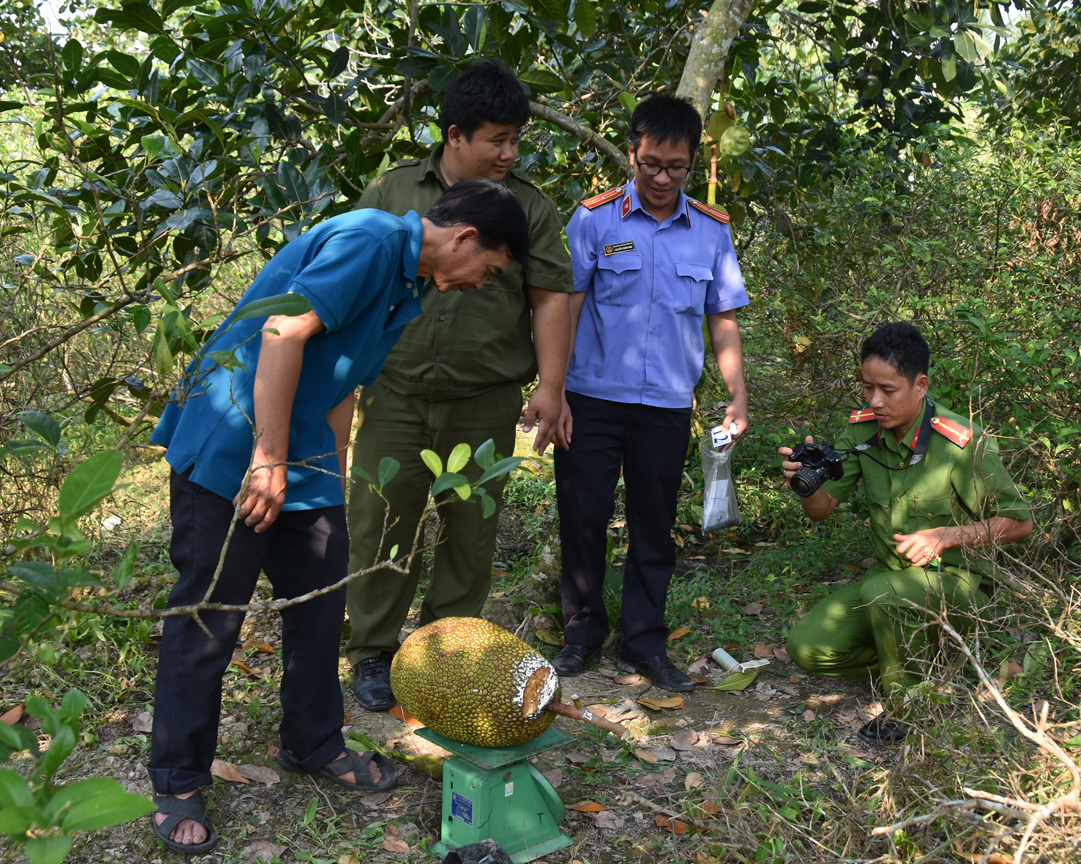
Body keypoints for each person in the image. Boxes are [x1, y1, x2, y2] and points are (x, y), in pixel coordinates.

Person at [146, 181, 530, 854]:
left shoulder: (410, 286)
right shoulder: (371, 241)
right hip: (236, 443)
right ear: (465, 238)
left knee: (322, 603)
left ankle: (313, 744)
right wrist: (267, 459)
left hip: (304, 455)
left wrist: (330, 471)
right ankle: (178, 777)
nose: (478, 284)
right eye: (488, 271)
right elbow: (282, 332)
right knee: (209, 618)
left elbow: (344, 381)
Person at [344, 62, 574, 712]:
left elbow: (551, 300)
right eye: (497, 139)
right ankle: (374, 652)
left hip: (485, 399)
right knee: (382, 519)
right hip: (395, 395)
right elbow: (355, 282)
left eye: (516, 140)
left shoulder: (529, 206)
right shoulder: (393, 192)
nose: (509, 152)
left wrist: (551, 386)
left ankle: (443, 651)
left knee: (469, 530)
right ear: (454, 135)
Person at [549, 94, 750, 691]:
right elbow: (567, 306)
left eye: (676, 168)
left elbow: (724, 319)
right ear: (632, 152)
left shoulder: (711, 232)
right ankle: (581, 635)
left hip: (665, 406)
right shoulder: (594, 219)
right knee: (582, 518)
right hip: (591, 400)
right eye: (650, 164)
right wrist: (552, 389)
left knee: (653, 525)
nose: (662, 179)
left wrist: (737, 395)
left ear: (693, 164)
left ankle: (643, 643)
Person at [779, 323, 1034, 743]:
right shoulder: (864, 431)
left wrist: (949, 535)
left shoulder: (959, 442)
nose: (875, 401)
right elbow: (821, 510)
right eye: (867, 388)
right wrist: (803, 483)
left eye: (888, 390)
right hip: (889, 584)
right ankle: (925, 662)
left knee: (886, 591)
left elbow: (1020, 522)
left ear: (920, 385)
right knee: (808, 647)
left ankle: (909, 706)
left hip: (957, 585)